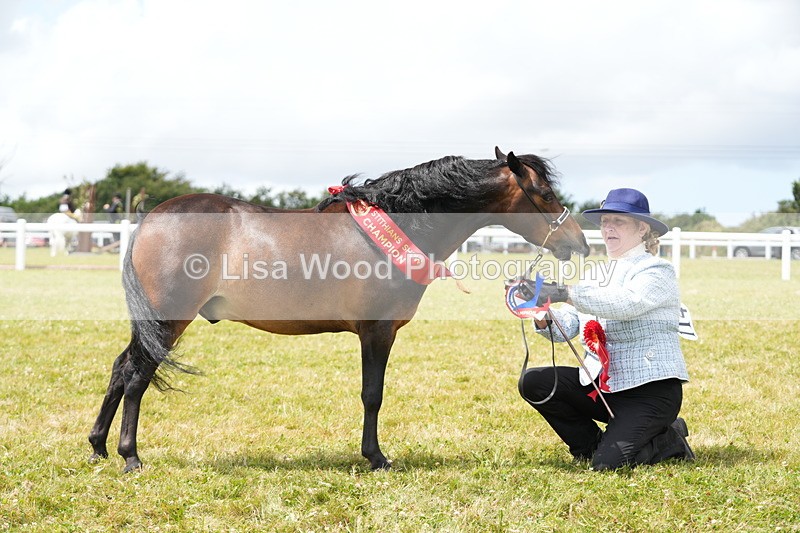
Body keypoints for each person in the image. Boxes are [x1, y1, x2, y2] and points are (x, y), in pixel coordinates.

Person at [519, 188, 694, 470]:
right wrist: (541, 309)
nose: (608, 228)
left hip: (650, 392)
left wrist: (565, 291)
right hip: (603, 388)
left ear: (642, 228)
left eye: (618, 221)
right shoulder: (595, 274)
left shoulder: (658, 271)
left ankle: (669, 438)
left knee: (609, 466)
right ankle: (588, 447)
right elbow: (568, 325)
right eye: (604, 222)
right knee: (534, 383)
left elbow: (626, 304)